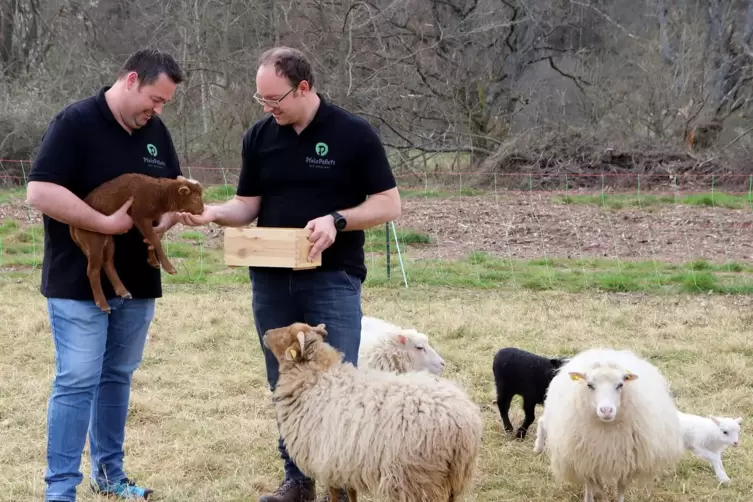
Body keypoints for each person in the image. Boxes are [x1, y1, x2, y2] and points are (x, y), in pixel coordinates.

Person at [175, 46, 401, 502]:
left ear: (303, 87)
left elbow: (388, 204)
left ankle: (341, 483)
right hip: (271, 279)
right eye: (261, 100)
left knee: (337, 380)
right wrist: (214, 213)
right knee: (287, 380)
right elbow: (248, 206)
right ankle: (297, 480)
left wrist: (336, 221)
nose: (267, 109)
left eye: (274, 100)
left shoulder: (352, 133)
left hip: (333, 277)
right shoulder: (259, 136)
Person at [26, 49, 185, 502]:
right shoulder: (75, 123)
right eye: (154, 99)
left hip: (138, 285)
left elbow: (171, 195)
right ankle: (60, 491)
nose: (156, 111)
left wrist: (168, 221)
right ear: (132, 80)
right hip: (78, 281)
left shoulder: (156, 133)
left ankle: (110, 477)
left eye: (164, 105)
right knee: (77, 379)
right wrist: (106, 224)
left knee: (117, 376)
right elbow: (39, 190)